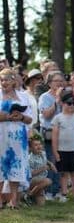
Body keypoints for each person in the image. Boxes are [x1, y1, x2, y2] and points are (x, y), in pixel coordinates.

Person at [0, 69, 32, 208]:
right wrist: (7, 117)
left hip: (18, 136)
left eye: (6, 79)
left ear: (14, 81)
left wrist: (22, 117)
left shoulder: (23, 97)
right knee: (1, 165)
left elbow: (30, 118)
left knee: (16, 165)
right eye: (1, 80)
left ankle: (14, 200)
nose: (3, 82)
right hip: (1, 134)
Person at [52, 90, 74, 203]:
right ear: (62, 104)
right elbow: (55, 136)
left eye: (73, 103)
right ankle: (64, 193)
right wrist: (55, 152)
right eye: (68, 103)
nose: (71, 106)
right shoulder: (58, 118)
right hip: (62, 150)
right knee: (63, 173)